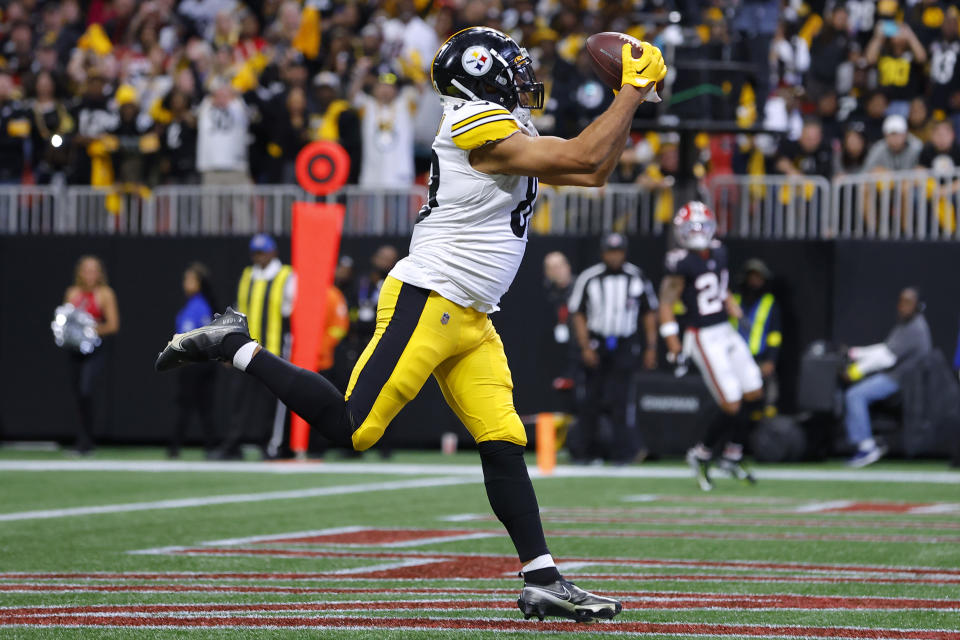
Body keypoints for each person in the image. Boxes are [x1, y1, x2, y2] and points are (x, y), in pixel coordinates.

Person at [157, 25, 667, 622]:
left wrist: (635, 97)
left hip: (472, 313)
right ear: (484, 75)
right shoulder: (469, 122)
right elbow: (583, 154)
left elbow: (594, 171)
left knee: (503, 439)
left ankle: (542, 578)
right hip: (430, 297)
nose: (526, 75)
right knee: (355, 428)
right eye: (513, 65)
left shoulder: (509, 125)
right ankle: (235, 344)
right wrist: (629, 91)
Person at [658, 202, 764, 491]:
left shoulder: (719, 251)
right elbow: (666, 305)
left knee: (754, 389)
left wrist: (730, 304)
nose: (697, 232)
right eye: (691, 227)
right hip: (702, 335)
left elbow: (720, 284)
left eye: (701, 226)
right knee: (731, 402)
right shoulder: (680, 262)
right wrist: (674, 345)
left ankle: (732, 455)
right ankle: (701, 453)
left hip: (724, 329)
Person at [568, 233, 658, 464]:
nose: (614, 256)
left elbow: (649, 313)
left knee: (621, 400)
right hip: (597, 341)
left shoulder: (636, 277)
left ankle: (622, 453)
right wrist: (585, 345)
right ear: (603, 253)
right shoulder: (590, 277)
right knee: (590, 399)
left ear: (624, 253)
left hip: (624, 342)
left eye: (618, 251)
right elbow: (577, 312)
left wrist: (651, 347)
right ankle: (585, 452)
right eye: (610, 251)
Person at [213, 234, 296, 460]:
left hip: (273, 348)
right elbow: (239, 312)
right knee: (239, 398)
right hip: (246, 347)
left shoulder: (286, 276)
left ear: (273, 252)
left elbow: (293, 312)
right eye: (255, 253)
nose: (258, 257)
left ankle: (270, 444)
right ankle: (233, 444)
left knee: (270, 401)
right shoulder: (248, 275)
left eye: (262, 252)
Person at [842, 288, 932, 467]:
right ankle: (873, 440)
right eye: (901, 302)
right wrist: (856, 353)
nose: (903, 307)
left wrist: (855, 371)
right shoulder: (905, 324)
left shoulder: (915, 327)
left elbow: (886, 358)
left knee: (855, 395)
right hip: (897, 377)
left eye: (908, 303)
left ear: (917, 306)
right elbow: (886, 348)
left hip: (904, 381)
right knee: (859, 391)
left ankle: (867, 447)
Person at [64, 255, 119, 455]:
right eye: (86, 270)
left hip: (95, 349)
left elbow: (112, 325)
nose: (90, 274)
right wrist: (70, 334)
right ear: (80, 272)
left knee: (86, 390)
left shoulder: (105, 294)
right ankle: (81, 440)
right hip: (74, 350)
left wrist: (89, 331)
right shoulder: (72, 293)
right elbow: (65, 321)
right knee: (78, 393)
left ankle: (88, 441)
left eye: (94, 270)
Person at [169, 263, 219, 458]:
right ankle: (210, 445)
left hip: (195, 363)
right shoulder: (196, 304)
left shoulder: (198, 306)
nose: (185, 283)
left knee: (188, 405)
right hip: (199, 362)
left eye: (189, 279)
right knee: (202, 406)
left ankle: (176, 446)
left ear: (199, 283)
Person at [731, 259, 782, 416]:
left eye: (758, 277)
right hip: (735, 358)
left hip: (759, 358)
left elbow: (774, 335)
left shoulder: (769, 303)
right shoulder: (734, 301)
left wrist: (771, 360)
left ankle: (765, 430)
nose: (754, 281)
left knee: (765, 398)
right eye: (751, 277)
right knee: (735, 399)